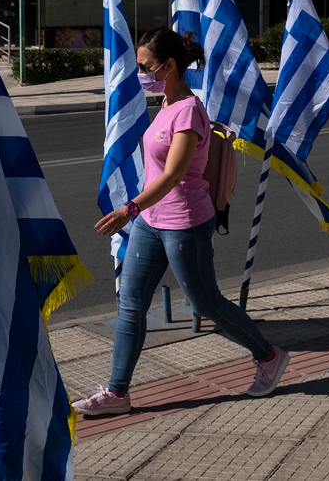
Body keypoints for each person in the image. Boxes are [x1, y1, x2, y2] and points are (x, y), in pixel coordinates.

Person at [73, 27, 289, 417]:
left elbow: (174, 174)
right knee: (131, 303)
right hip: (150, 221)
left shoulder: (188, 111)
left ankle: (269, 357)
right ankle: (117, 393)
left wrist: (128, 210)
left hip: (183, 222)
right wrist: (140, 213)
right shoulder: (167, 104)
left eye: (146, 66)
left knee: (206, 302)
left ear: (169, 65)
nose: (141, 73)